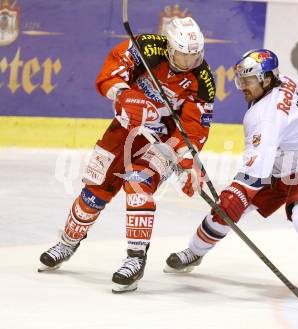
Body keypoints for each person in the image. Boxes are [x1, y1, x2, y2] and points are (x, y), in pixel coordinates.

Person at [164, 49, 298, 308]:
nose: (242, 87)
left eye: (248, 81)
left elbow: (254, 173)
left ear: (267, 79)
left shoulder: (263, 117)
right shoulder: (286, 80)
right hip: (282, 164)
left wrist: (232, 197)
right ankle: (194, 252)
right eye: (241, 80)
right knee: (228, 208)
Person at [38, 17, 216, 293]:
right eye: (183, 54)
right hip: (123, 132)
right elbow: (110, 73)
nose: (189, 61)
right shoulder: (146, 47)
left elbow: (193, 128)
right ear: (170, 47)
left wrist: (187, 159)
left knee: (138, 187)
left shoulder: (202, 80)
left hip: (159, 142)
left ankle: (135, 259)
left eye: (195, 55)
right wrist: (123, 94)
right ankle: (68, 242)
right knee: (94, 192)